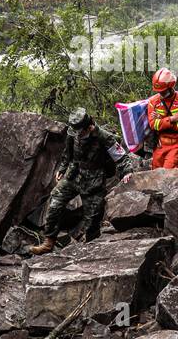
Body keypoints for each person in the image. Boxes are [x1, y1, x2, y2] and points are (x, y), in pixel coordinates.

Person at [30, 108, 120, 254]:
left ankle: (90, 251)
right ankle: (49, 242)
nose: (78, 134)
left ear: (89, 126)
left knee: (92, 222)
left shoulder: (104, 137)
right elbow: (68, 153)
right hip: (75, 175)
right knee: (55, 201)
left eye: (81, 131)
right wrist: (63, 168)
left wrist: (128, 172)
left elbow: (120, 157)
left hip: (94, 181)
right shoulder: (73, 133)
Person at [146, 68, 178, 169]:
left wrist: (161, 120)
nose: (161, 94)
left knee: (168, 171)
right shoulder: (153, 102)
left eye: (163, 91)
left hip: (177, 143)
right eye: (159, 92)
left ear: (171, 87)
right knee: (155, 172)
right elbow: (153, 125)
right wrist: (171, 119)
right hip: (159, 143)